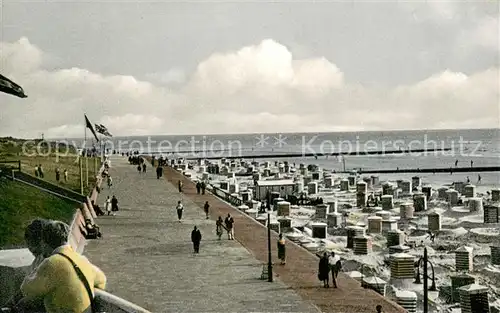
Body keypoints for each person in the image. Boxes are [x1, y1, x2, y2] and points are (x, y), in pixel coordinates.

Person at [19, 220, 107, 313]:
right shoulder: (81, 259)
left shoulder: (52, 263)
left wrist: (35, 271)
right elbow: (102, 280)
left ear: (44, 243)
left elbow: (27, 290)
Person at [4, 219, 50, 309]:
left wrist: (11, 305)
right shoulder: (42, 257)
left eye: (35, 250)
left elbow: (29, 293)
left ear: (43, 242)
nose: (33, 253)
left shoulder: (47, 262)